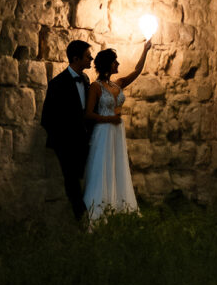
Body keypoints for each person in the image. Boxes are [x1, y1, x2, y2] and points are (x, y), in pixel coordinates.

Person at [83, 40, 149, 222]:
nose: (118, 64)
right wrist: (110, 119)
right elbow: (88, 114)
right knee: (102, 167)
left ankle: (118, 207)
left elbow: (137, 71)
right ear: (107, 64)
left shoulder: (118, 84)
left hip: (117, 133)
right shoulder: (96, 87)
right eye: (115, 61)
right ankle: (97, 211)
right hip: (103, 131)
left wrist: (146, 50)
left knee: (117, 166)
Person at [40, 39, 93, 222]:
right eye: (88, 56)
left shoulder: (86, 80)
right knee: (71, 180)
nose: (91, 59)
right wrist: (63, 141)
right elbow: (47, 118)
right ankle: (81, 218)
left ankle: (91, 214)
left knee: (86, 177)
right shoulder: (57, 83)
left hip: (84, 141)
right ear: (76, 58)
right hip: (66, 143)